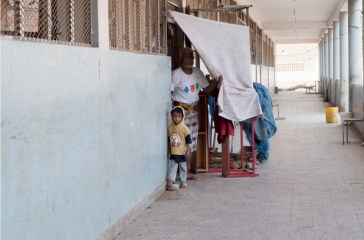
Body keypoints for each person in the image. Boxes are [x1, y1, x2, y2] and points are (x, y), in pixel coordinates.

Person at [171, 47, 220, 179]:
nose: (190, 59)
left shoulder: (198, 73)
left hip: (193, 113)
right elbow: (168, 93)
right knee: (178, 144)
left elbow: (208, 90)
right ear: (181, 59)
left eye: (192, 57)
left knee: (190, 144)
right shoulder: (176, 74)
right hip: (180, 114)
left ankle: (185, 174)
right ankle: (178, 173)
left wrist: (217, 81)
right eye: (187, 56)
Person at [167, 106, 192, 190]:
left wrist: (188, 151)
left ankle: (183, 181)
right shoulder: (170, 128)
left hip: (182, 153)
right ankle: (171, 180)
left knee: (183, 167)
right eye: (174, 116)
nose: (177, 119)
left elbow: (188, 140)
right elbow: (169, 141)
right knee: (173, 167)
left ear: (182, 117)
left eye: (179, 117)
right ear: (172, 117)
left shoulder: (184, 127)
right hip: (174, 152)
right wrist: (169, 150)